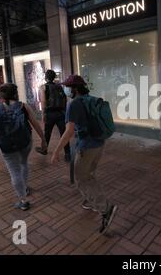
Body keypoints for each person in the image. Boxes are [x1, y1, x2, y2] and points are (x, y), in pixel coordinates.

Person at [51, 75, 117, 234]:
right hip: (99, 144)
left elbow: (69, 131)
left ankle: (106, 209)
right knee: (90, 174)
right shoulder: (92, 99)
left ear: (74, 89)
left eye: (67, 87)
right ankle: (89, 200)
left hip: (86, 147)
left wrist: (56, 151)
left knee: (81, 179)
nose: (65, 90)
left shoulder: (74, 105)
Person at [0, 83, 47, 211]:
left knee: (14, 171)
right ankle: (25, 187)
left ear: (2, 96)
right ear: (16, 93)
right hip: (25, 142)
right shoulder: (24, 107)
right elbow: (35, 125)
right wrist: (43, 139)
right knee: (23, 163)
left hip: (6, 146)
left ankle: (23, 200)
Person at [35, 70, 71, 162]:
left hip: (50, 113)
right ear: (54, 77)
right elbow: (65, 99)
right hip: (60, 113)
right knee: (63, 133)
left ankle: (44, 150)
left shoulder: (43, 87)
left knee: (47, 133)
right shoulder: (59, 86)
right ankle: (67, 154)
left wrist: (43, 114)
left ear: (45, 77)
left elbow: (43, 101)